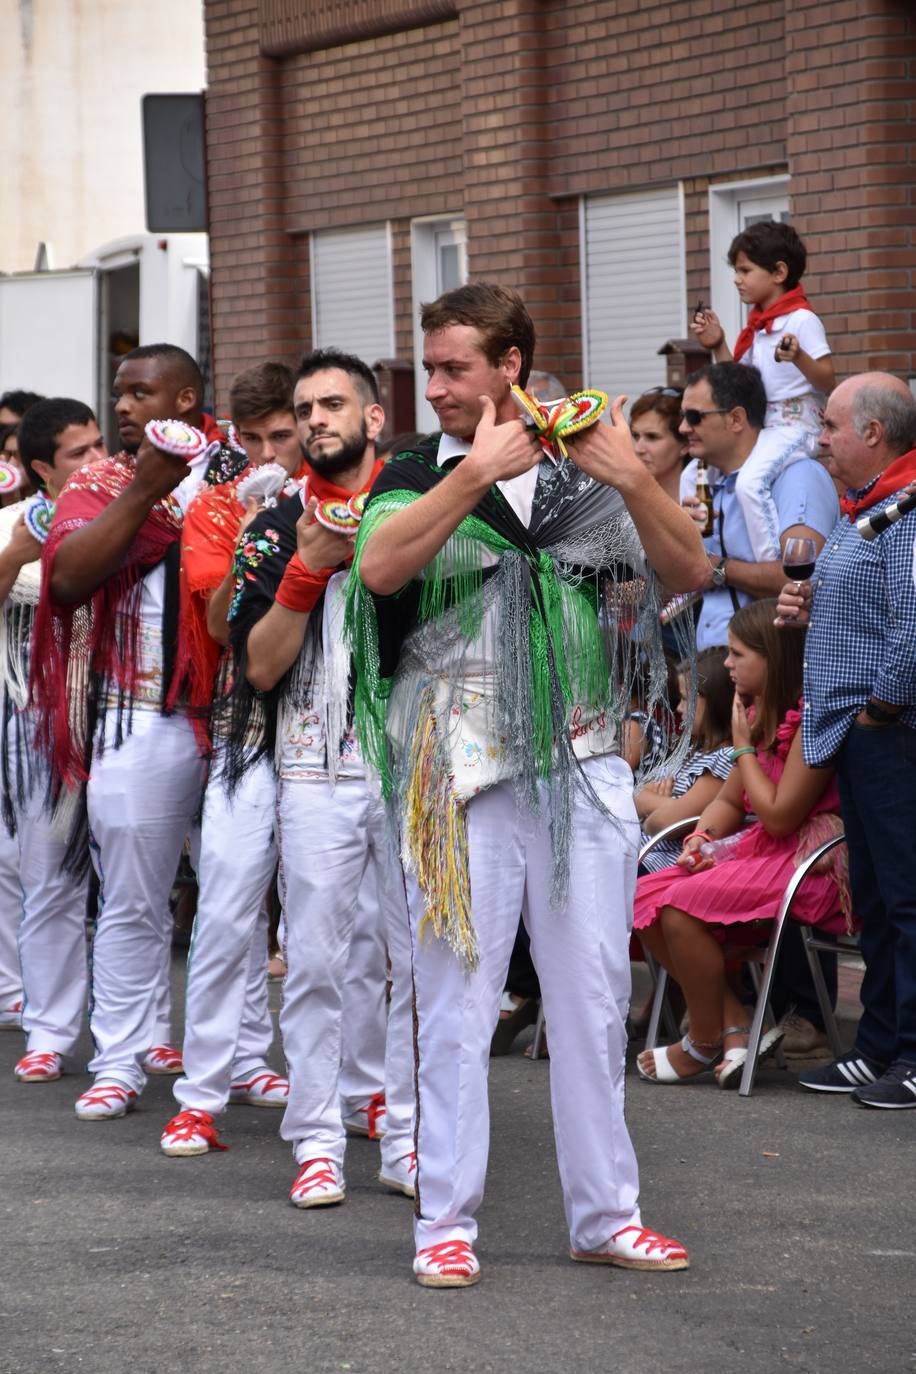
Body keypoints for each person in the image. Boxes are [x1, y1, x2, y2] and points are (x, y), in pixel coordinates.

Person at [351, 282, 709, 1287]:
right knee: (455, 1003)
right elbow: (380, 569)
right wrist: (470, 478)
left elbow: (686, 573)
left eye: (456, 367)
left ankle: (605, 1215)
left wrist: (634, 477)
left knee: (594, 997)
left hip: (582, 762)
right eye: (430, 368)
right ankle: (445, 1225)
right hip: (455, 775)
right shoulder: (419, 467)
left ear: (509, 365)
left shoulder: (583, 471)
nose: (439, 386)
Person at [30, 343, 238, 1121]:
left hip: (232, 716)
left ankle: (243, 1057)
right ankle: (118, 1060)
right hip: (136, 716)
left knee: (234, 899)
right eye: (118, 393)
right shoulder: (105, 481)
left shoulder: (236, 473)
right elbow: (69, 579)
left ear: (186, 400)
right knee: (131, 902)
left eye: (140, 392)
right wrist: (149, 489)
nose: (121, 406)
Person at [227, 348, 416, 1202]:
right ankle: (316, 1140)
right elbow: (260, 669)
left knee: (419, 960)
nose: (316, 421)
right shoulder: (271, 525)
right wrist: (306, 567)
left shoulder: (420, 509)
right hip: (312, 770)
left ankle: (406, 1136)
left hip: (416, 768)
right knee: (312, 960)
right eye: (305, 409)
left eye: (333, 405)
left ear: (374, 417)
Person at [158, 362, 305, 1156]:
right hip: (247, 727)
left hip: (336, 726)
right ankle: (201, 1097)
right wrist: (254, 536)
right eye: (249, 439)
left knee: (340, 925)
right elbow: (219, 626)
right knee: (223, 909)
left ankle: (361, 1093)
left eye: (279, 435)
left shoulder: (344, 496)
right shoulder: (218, 505)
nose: (265, 453)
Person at [634, 598, 850, 1089]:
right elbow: (731, 802)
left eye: (737, 654)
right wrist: (701, 836)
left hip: (799, 862)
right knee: (645, 897)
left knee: (678, 907)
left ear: (773, 660)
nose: (726, 665)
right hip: (760, 852)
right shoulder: (754, 710)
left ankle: (703, 1042)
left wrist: (745, 746)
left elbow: (777, 816)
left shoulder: (809, 720)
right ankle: (732, 1025)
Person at [776, 373, 916, 1108]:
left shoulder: (908, 507)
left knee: (905, 898)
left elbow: (914, 625)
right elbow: (874, 610)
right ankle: (879, 1048)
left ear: (873, 433)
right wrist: (811, 608)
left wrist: (881, 712)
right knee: (879, 898)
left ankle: (912, 1055)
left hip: (890, 735)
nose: (818, 440)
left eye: (829, 425)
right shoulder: (866, 505)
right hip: (865, 734)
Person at [4, 401, 107, 1083]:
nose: (97, 462)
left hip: (128, 714)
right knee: (46, 877)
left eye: (100, 445)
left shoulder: (134, 513)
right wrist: (19, 550)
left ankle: (149, 1030)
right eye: (79, 454)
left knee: (138, 887)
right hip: (37, 719)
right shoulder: (9, 525)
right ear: (41, 468)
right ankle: (47, 1026)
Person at [692, 220, 835, 560]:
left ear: (779, 272)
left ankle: (771, 568)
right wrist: (719, 344)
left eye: (745, 270)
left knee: (749, 483)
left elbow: (827, 380)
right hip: (766, 431)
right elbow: (739, 383)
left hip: (797, 428)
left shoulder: (801, 319)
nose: (736, 279)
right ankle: (700, 554)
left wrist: (798, 356)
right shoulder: (758, 325)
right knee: (696, 473)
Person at [679, 361, 838, 651]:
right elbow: (681, 580)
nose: (683, 427)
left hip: (773, 662)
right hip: (713, 662)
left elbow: (802, 580)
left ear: (736, 419)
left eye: (694, 416)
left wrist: (719, 569)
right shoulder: (704, 482)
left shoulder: (797, 478)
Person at [636, 647, 734, 872]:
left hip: (661, 864)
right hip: (641, 849)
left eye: (685, 699)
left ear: (715, 702)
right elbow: (637, 793)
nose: (679, 708)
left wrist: (652, 816)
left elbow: (666, 822)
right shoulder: (693, 749)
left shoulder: (725, 759)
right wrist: (669, 805)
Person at [630, 386, 687, 504]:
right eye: (635, 436)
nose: (638, 449)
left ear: (685, 444)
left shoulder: (703, 500)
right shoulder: (622, 499)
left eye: (652, 437)